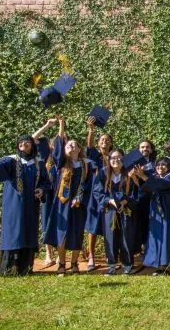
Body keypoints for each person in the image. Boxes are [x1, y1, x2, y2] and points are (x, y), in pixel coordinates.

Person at [0, 135, 51, 276]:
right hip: (14, 205)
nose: (23, 144)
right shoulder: (11, 160)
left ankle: (25, 268)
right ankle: (9, 269)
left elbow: (46, 182)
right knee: (14, 232)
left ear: (32, 145)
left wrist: (41, 190)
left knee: (28, 233)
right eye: (21, 142)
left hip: (31, 206)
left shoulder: (38, 163)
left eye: (27, 142)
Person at [43, 115, 96, 276]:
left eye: (74, 145)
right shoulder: (61, 163)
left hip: (79, 204)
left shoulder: (87, 165)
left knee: (77, 232)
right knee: (62, 233)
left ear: (79, 149)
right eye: (68, 145)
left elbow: (90, 185)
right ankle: (61, 263)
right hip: (62, 202)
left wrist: (80, 198)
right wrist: (61, 125)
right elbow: (58, 145)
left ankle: (74, 263)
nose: (71, 146)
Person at [132, 157, 170, 275]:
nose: (160, 167)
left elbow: (161, 185)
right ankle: (160, 264)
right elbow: (145, 189)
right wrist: (136, 177)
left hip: (169, 213)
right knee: (157, 237)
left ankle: (167, 266)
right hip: (156, 213)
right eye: (158, 165)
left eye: (163, 165)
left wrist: (143, 176)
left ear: (169, 167)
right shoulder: (155, 177)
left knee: (167, 237)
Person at [93, 148, 139, 275]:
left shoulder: (130, 173)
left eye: (119, 157)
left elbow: (136, 191)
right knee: (110, 237)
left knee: (126, 237)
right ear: (109, 160)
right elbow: (97, 191)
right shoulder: (103, 173)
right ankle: (112, 266)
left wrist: (126, 201)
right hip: (110, 210)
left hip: (126, 210)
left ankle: (127, 265)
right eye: (113, 158)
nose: (116, 160)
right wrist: (109, 200)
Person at [84, 115, 113, 271]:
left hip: (109, 194)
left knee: (109, 225)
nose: (105, 142)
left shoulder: (114, 157)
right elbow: (89, 146)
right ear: (98, 143)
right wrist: (91, 130)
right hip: (95, 195)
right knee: (93, 226)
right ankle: (91, 256)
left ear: (111, 144)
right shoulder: (94, 155)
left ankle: (110, 255)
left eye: (107, 140)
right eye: (102, 140)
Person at [31, 118, 59, 266]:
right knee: (47, 220)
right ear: (51, 145)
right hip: (47, 193)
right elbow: (32, 139)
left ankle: (61, 253)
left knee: (62, 222)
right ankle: (48, 253)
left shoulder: (67, 156)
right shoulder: (46, 153)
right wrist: (47, 125)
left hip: (62, 194)